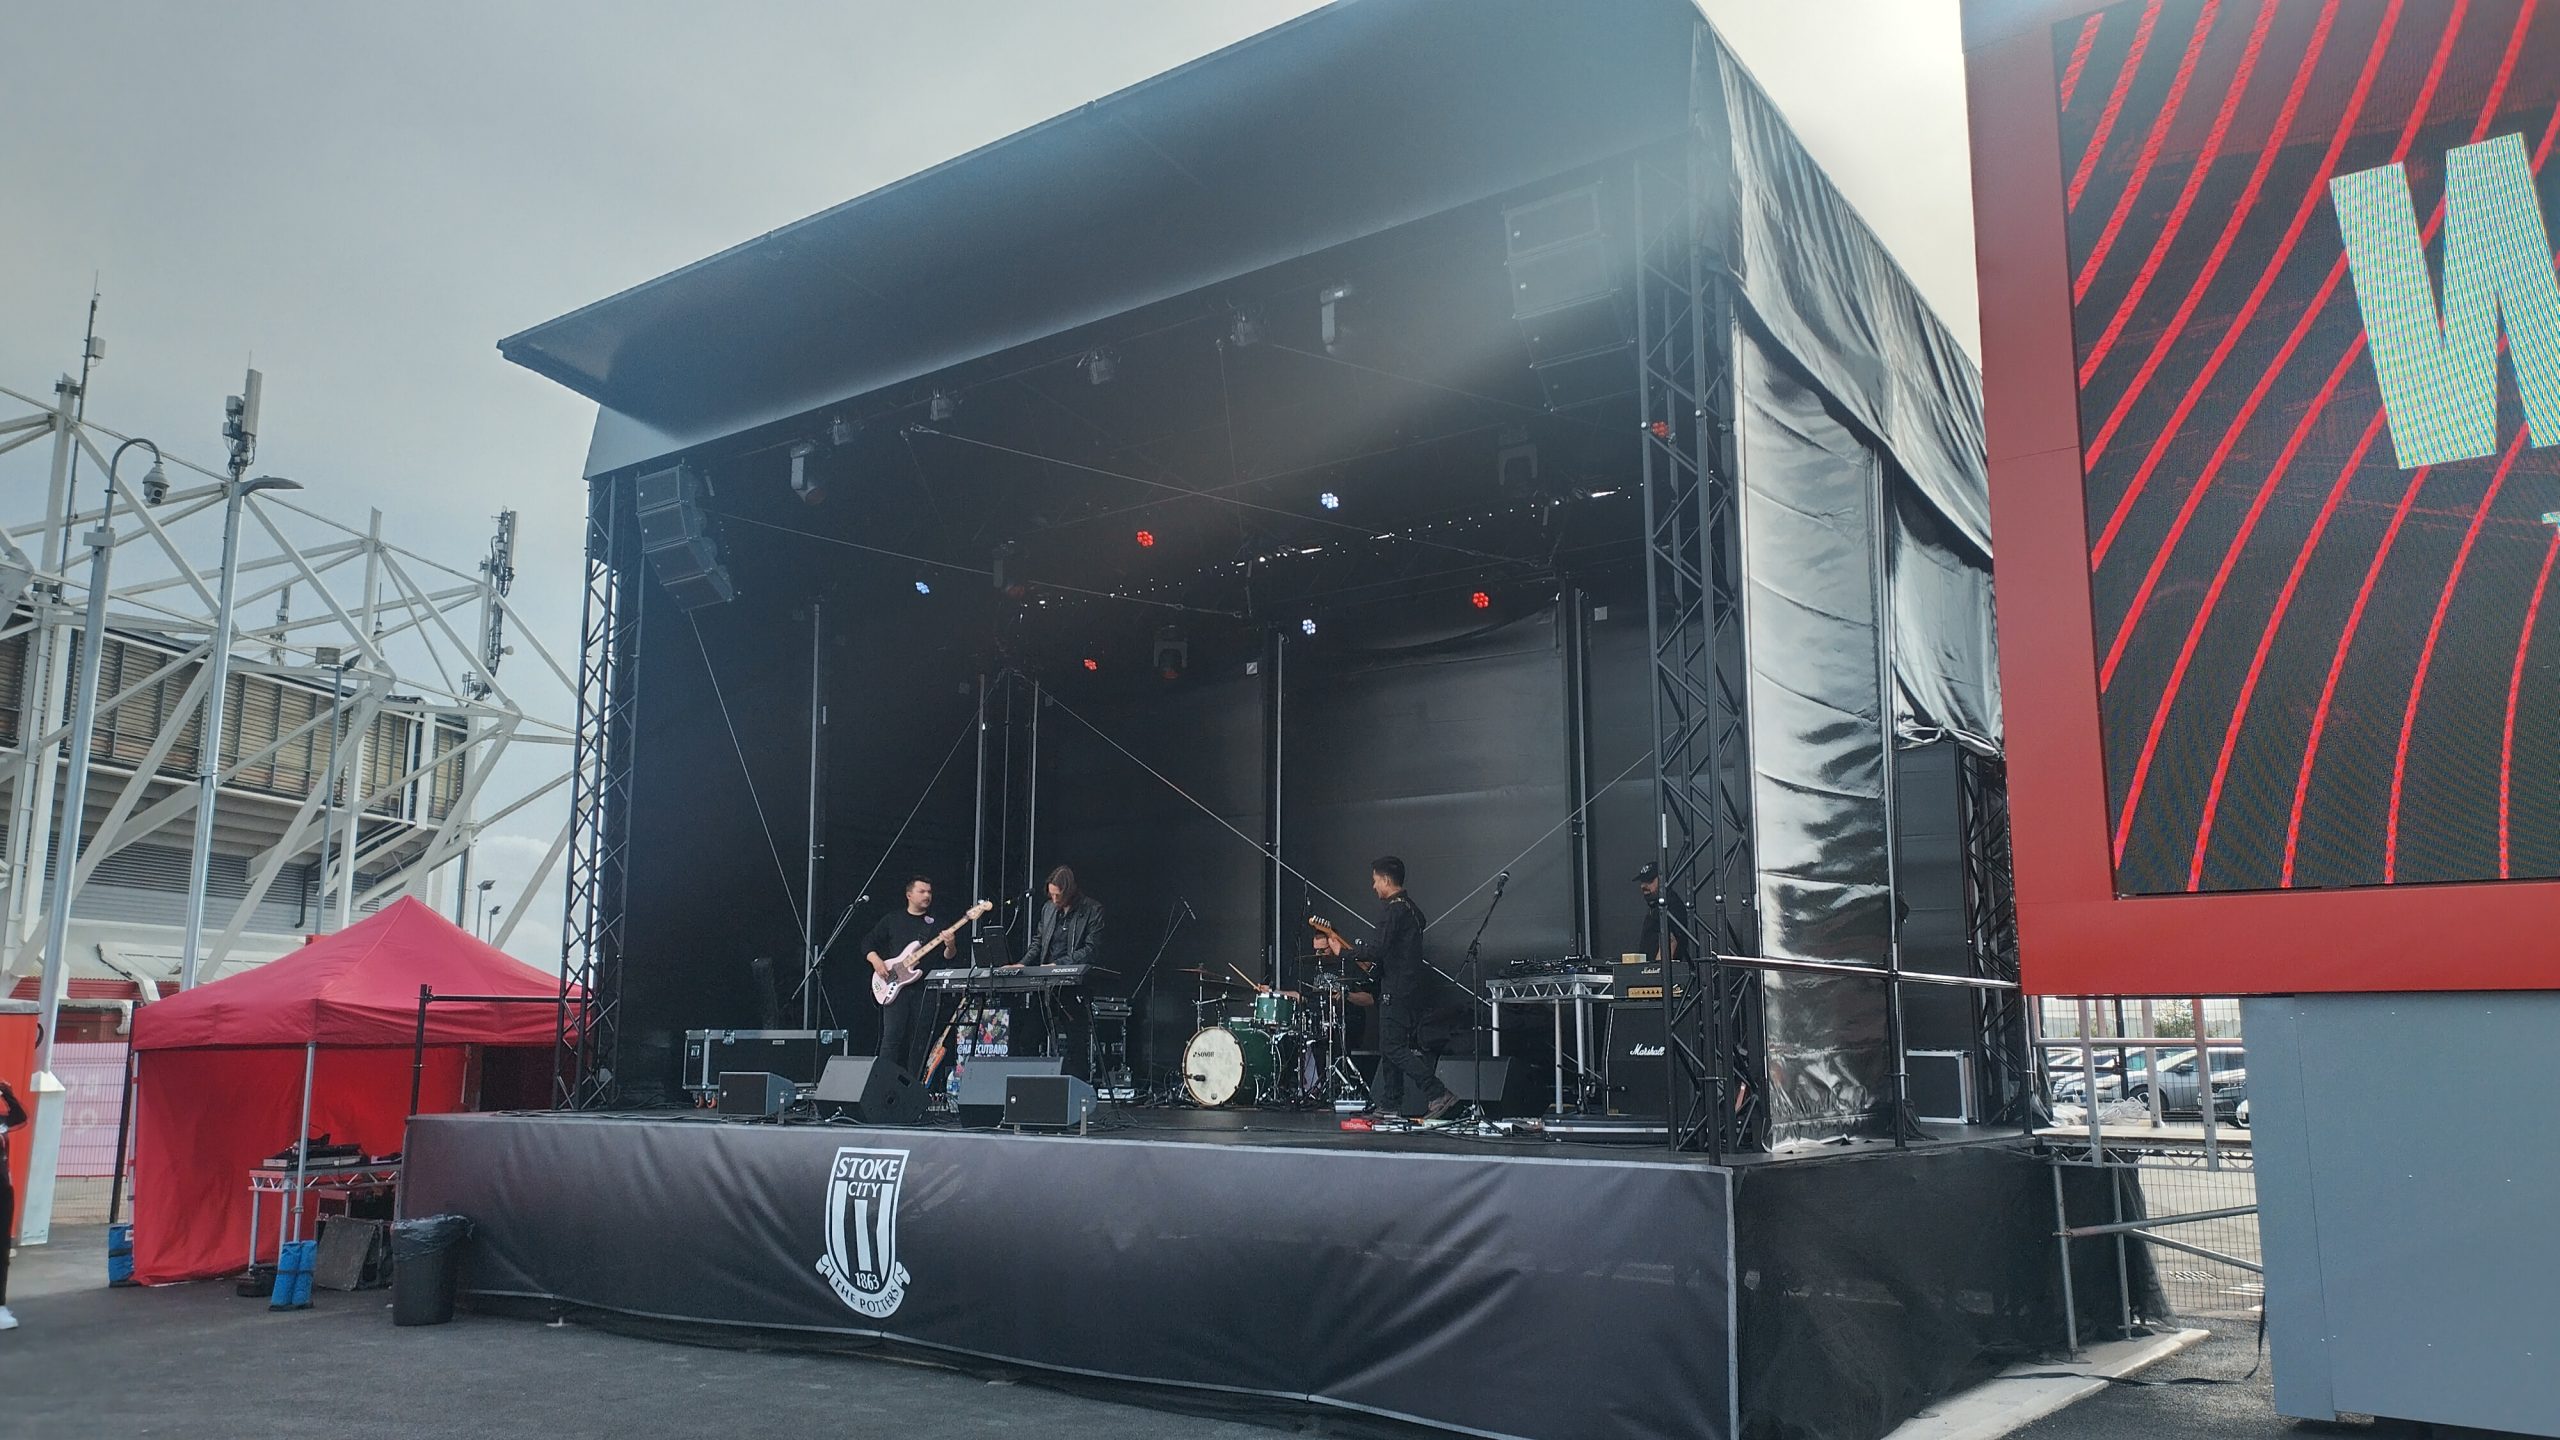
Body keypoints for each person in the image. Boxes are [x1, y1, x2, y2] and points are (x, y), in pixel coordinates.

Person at [1317, 856, 1474, 1126]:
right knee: (1390, 1046)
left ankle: (1438, 1093)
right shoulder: (1412, 910)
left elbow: (1378, 949)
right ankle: (1390, 1104)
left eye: (1375, 881)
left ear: (1386, 880)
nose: (1373, 887)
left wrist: (1346, 952)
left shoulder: (1393, 910)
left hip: (1397, 988)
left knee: (1393, 1047)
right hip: (1408, 988)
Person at [861, 876, 957, 1078]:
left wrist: (950, 945)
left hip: (924, 990)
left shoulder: (937, 924)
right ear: (909, 895)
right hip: (894, 988)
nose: (927, 895)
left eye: (929, 892)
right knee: (891, 1039)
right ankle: (881, 1082)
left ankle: (914, 1087)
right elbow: (867, 942)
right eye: (922, 891)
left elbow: (948, 958)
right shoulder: (893, 920)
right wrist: (877, 962)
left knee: (920, 1041)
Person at [1009, 867, 1103, 1061]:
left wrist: (1058, 964)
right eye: (1051, 895)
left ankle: (1074, 1083)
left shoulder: (1092, 910)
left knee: (1075, 1042)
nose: (1054, 899)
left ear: (1069, 891)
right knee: (1029, 1038)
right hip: (1045, 986)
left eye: (1057, 895)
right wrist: (1022, 964)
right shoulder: (1048, 909)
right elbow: (1038, 942)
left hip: (1072, 986)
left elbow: (1090, 950)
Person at [1, 1077, 25, 1331]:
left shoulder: (2, 1122)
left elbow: (20, 1116)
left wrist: (5, 1092)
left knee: (2, 1247)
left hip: (3, 1192)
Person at [1634, 862, 1689, 966]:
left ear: (1663, 880)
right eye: (1642, 881)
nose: (1643, 886)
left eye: (1649, 881)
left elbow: (1671, 941)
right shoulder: (1655, 905)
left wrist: (1657, 975)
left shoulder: (1671, 905)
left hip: (1661, 974)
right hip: (1649, 971)